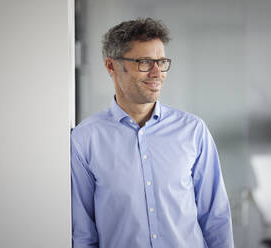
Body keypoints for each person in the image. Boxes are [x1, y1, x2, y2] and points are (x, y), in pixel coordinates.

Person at [71, 18, 234, 248]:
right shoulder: (84, 140)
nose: (157, 73)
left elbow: (216, 219)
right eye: (145, 62)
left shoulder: (193, 131)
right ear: (111, 66)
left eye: (162, 62)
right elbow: (83, 234)